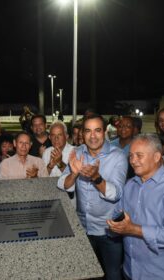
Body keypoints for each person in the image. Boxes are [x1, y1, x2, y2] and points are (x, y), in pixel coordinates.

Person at [107, 133, 164, 280]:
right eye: (131, 156)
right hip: (130, 270)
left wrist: (134, 229)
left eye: (139, 155)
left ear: (157, 157)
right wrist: (114, 227)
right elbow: (119, 216)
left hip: (160, 274)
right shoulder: (130, 185)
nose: (133, 161)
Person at [57, 114, 127, 280]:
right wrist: (73, 174)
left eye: (97, 130)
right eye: (88, 131)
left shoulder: (118, 156)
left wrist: (96, 178)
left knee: (113, 274)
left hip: (109, 229)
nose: (93, 136)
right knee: (85, 273)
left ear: (105, 132)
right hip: (83, 228)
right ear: (82, 133)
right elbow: (62, 184)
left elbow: (116, 193)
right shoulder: (77, 152)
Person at [42, 121, 75, 206]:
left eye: (59, 135)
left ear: (66, 136)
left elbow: (75, 178)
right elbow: (42, 178)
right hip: (50, 197)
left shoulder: (75, 152)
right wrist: (50, 166)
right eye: (53, 135)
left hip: (69, 199)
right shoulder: (46, 152)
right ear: (49, 137)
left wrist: (60, 163)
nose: (56, 138)